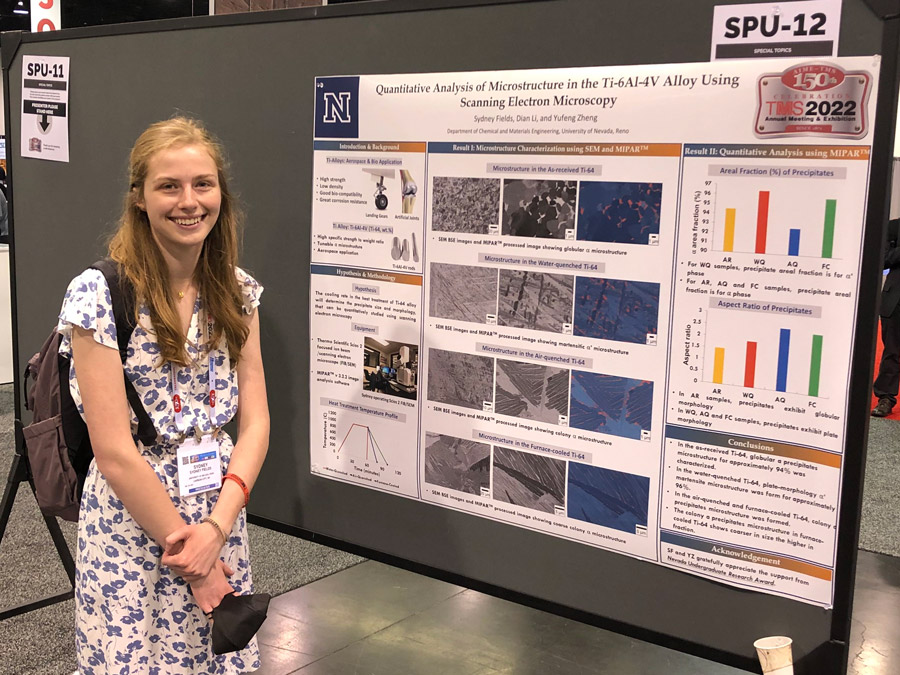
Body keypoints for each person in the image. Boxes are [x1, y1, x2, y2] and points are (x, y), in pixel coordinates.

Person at [57, 117, 270, 672]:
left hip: (216, 515)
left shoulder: (238, 290)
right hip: (135, 523)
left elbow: (255, 424)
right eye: (169, 186)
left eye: (203, 184)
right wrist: (194, 559)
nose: (189, 201)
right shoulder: (98, 294)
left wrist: (216, 531)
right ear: (139, 199)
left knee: (217, 654)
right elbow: (114, 451)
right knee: (135, 657)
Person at [874, 218, 900, 417]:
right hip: (896, 299)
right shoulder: (893, 227)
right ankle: (885, 398)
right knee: (892, 351)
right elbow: (881, 260)